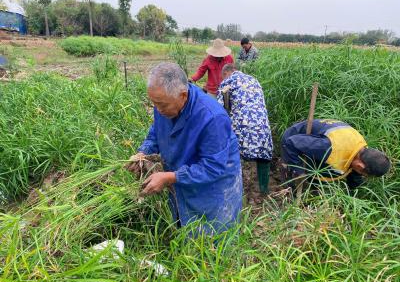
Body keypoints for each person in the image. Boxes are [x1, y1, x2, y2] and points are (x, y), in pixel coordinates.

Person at [126, 62, 243, 234]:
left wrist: (171, 177)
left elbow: (212, 167)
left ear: (183, 95)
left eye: (162, 105)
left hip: (213, 186)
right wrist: (143, 153)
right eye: (154, 104)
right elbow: (156, 133)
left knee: (212, 236)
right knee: (184, 227)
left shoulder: (212, 117)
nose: (158, 110)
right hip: (180, 177)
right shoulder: (165, 103)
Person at [281, 119, 391, 189]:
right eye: (364, 173)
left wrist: (354, 187)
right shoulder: (330, 149)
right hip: (296, 142)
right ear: (359, 166)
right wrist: (299, 172)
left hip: (316, 143)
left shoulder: (361, 148)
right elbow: (291, 142)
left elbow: (355, 170)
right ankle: (290, 193)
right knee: (295, 181)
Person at [217, 64, 273, 194]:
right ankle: (264, 190)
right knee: (263, 156)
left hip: (242, 128)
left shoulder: (227, 82)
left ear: (226, 73)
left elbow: (220, 111)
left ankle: (238, 191)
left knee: (234, 155)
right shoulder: (254, 80)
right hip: (262, 126)